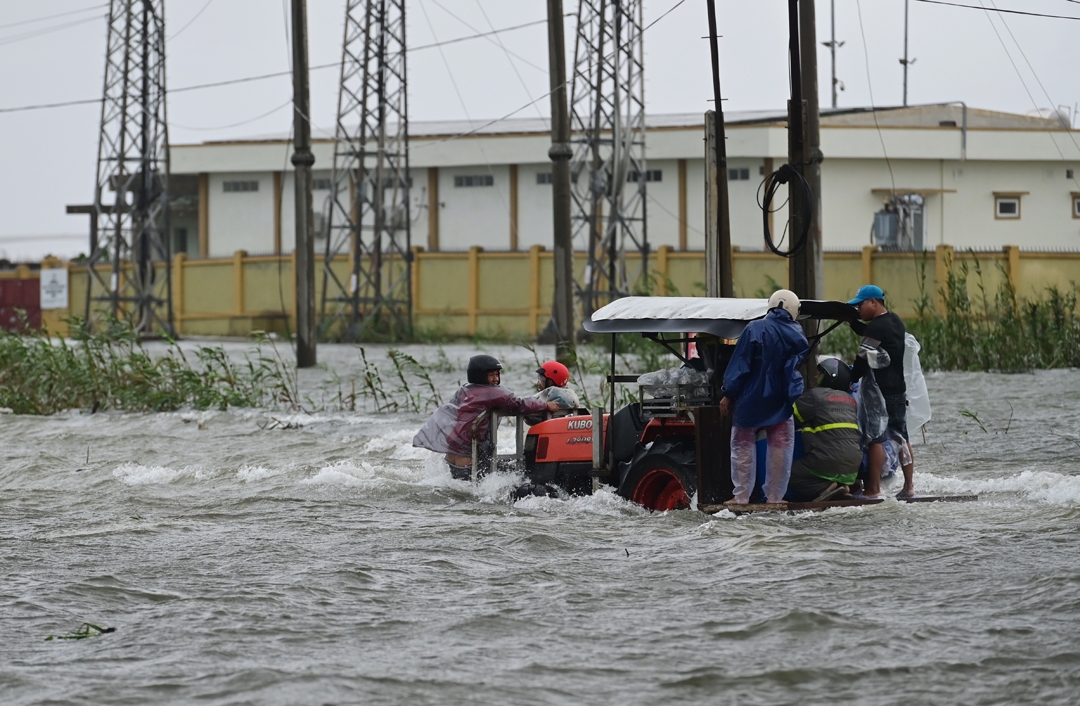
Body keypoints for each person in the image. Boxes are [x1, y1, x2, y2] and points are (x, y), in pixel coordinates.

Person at [720, 289, 810, 505]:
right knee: (781, 446)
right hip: (780, 401)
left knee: (742, 446)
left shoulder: (754, 328)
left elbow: (740, 365)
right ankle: (775, 498)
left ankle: (741, 497)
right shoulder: (797, 334)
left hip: (750, 400)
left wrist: (728, 394)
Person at [413, 354, 557, 480]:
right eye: (491, 375)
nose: (495, 379)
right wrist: (545, 406)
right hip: (469, 457)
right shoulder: (492, 393)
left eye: (497, 374)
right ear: (480, 376)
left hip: (452, 455)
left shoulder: (464, 389)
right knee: (515, 475)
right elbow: (518, 404)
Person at [847, 284, 916, 498]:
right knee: (902, 436)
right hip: (898, 390)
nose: (858, 309)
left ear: (873, 302)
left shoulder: (876, 328)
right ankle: (909, 487)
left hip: (880, 393)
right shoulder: (895, 321)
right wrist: (851, 322)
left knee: (875, 438)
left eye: (860, 305)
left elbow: (861, 362)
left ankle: (873, 490)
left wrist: (850, 379)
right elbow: (873, 332)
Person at [786, 358, 862, 502]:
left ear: (830, 378)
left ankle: (825, 488)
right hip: (852, 469)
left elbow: (790, 419)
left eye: (820, 373)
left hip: (824, 463)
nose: (815, 377)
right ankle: (843, 486)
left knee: (784, 475)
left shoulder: (815, 395)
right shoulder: (850, 400)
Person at [525, 361, 582, 425]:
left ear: (550, 382)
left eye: (541, 379)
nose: (538, 383)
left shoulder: (557, 394)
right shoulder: (571, 394)